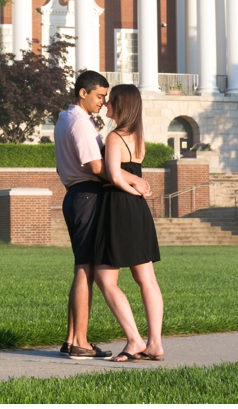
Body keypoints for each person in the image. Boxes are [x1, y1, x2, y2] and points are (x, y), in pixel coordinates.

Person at [54, 71, 150, 360]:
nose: (103, 102)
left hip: (75, 194)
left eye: (106, 97)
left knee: (82, 268)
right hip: (87, 196)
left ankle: (72, 338)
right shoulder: (80, 124)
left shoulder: (63, 119)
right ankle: (80, 342)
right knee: (86, 269)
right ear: (82, 93)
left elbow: (63, 168)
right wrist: (132, 180)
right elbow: (97, 167)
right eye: (99, 96)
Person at [92, 84, 165, 363]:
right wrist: (137, 187)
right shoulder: (139, 138)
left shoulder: (114, 137)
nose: (106, 106)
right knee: (146, 279)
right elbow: (131, 171)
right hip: (138, 211)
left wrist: (129, 186)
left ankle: (134, 339)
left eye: (111, 103)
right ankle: (155, 343)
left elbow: (112, 173)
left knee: (105, 278)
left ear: (122, 106)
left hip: (118, 208)